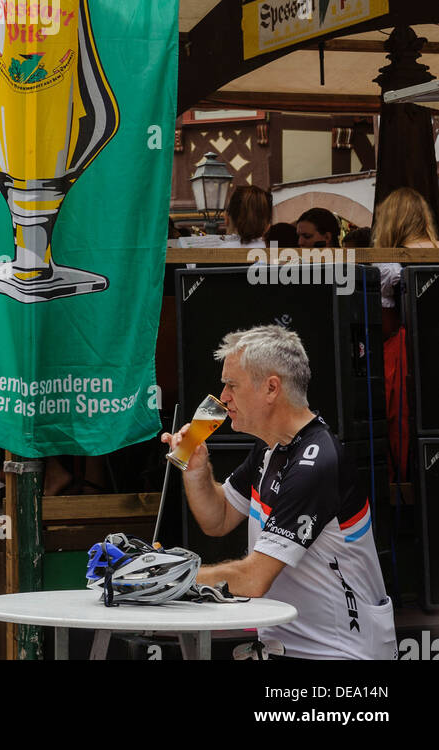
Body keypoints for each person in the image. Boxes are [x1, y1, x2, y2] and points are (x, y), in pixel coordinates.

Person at [162, 324, 396, 660]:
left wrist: (168, 578)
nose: (223, 397)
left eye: (231, 385)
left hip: (338, 652)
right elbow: (219, 519)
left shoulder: (316, 461)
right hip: (289, 646)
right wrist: (196, 469)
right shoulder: (270, 448)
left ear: (271, 388)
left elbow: (254, 578)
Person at [371, 187, 439, 481]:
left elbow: (386, 326)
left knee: (408, 427)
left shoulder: (388, 265)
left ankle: (408, 485)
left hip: (411, 359)